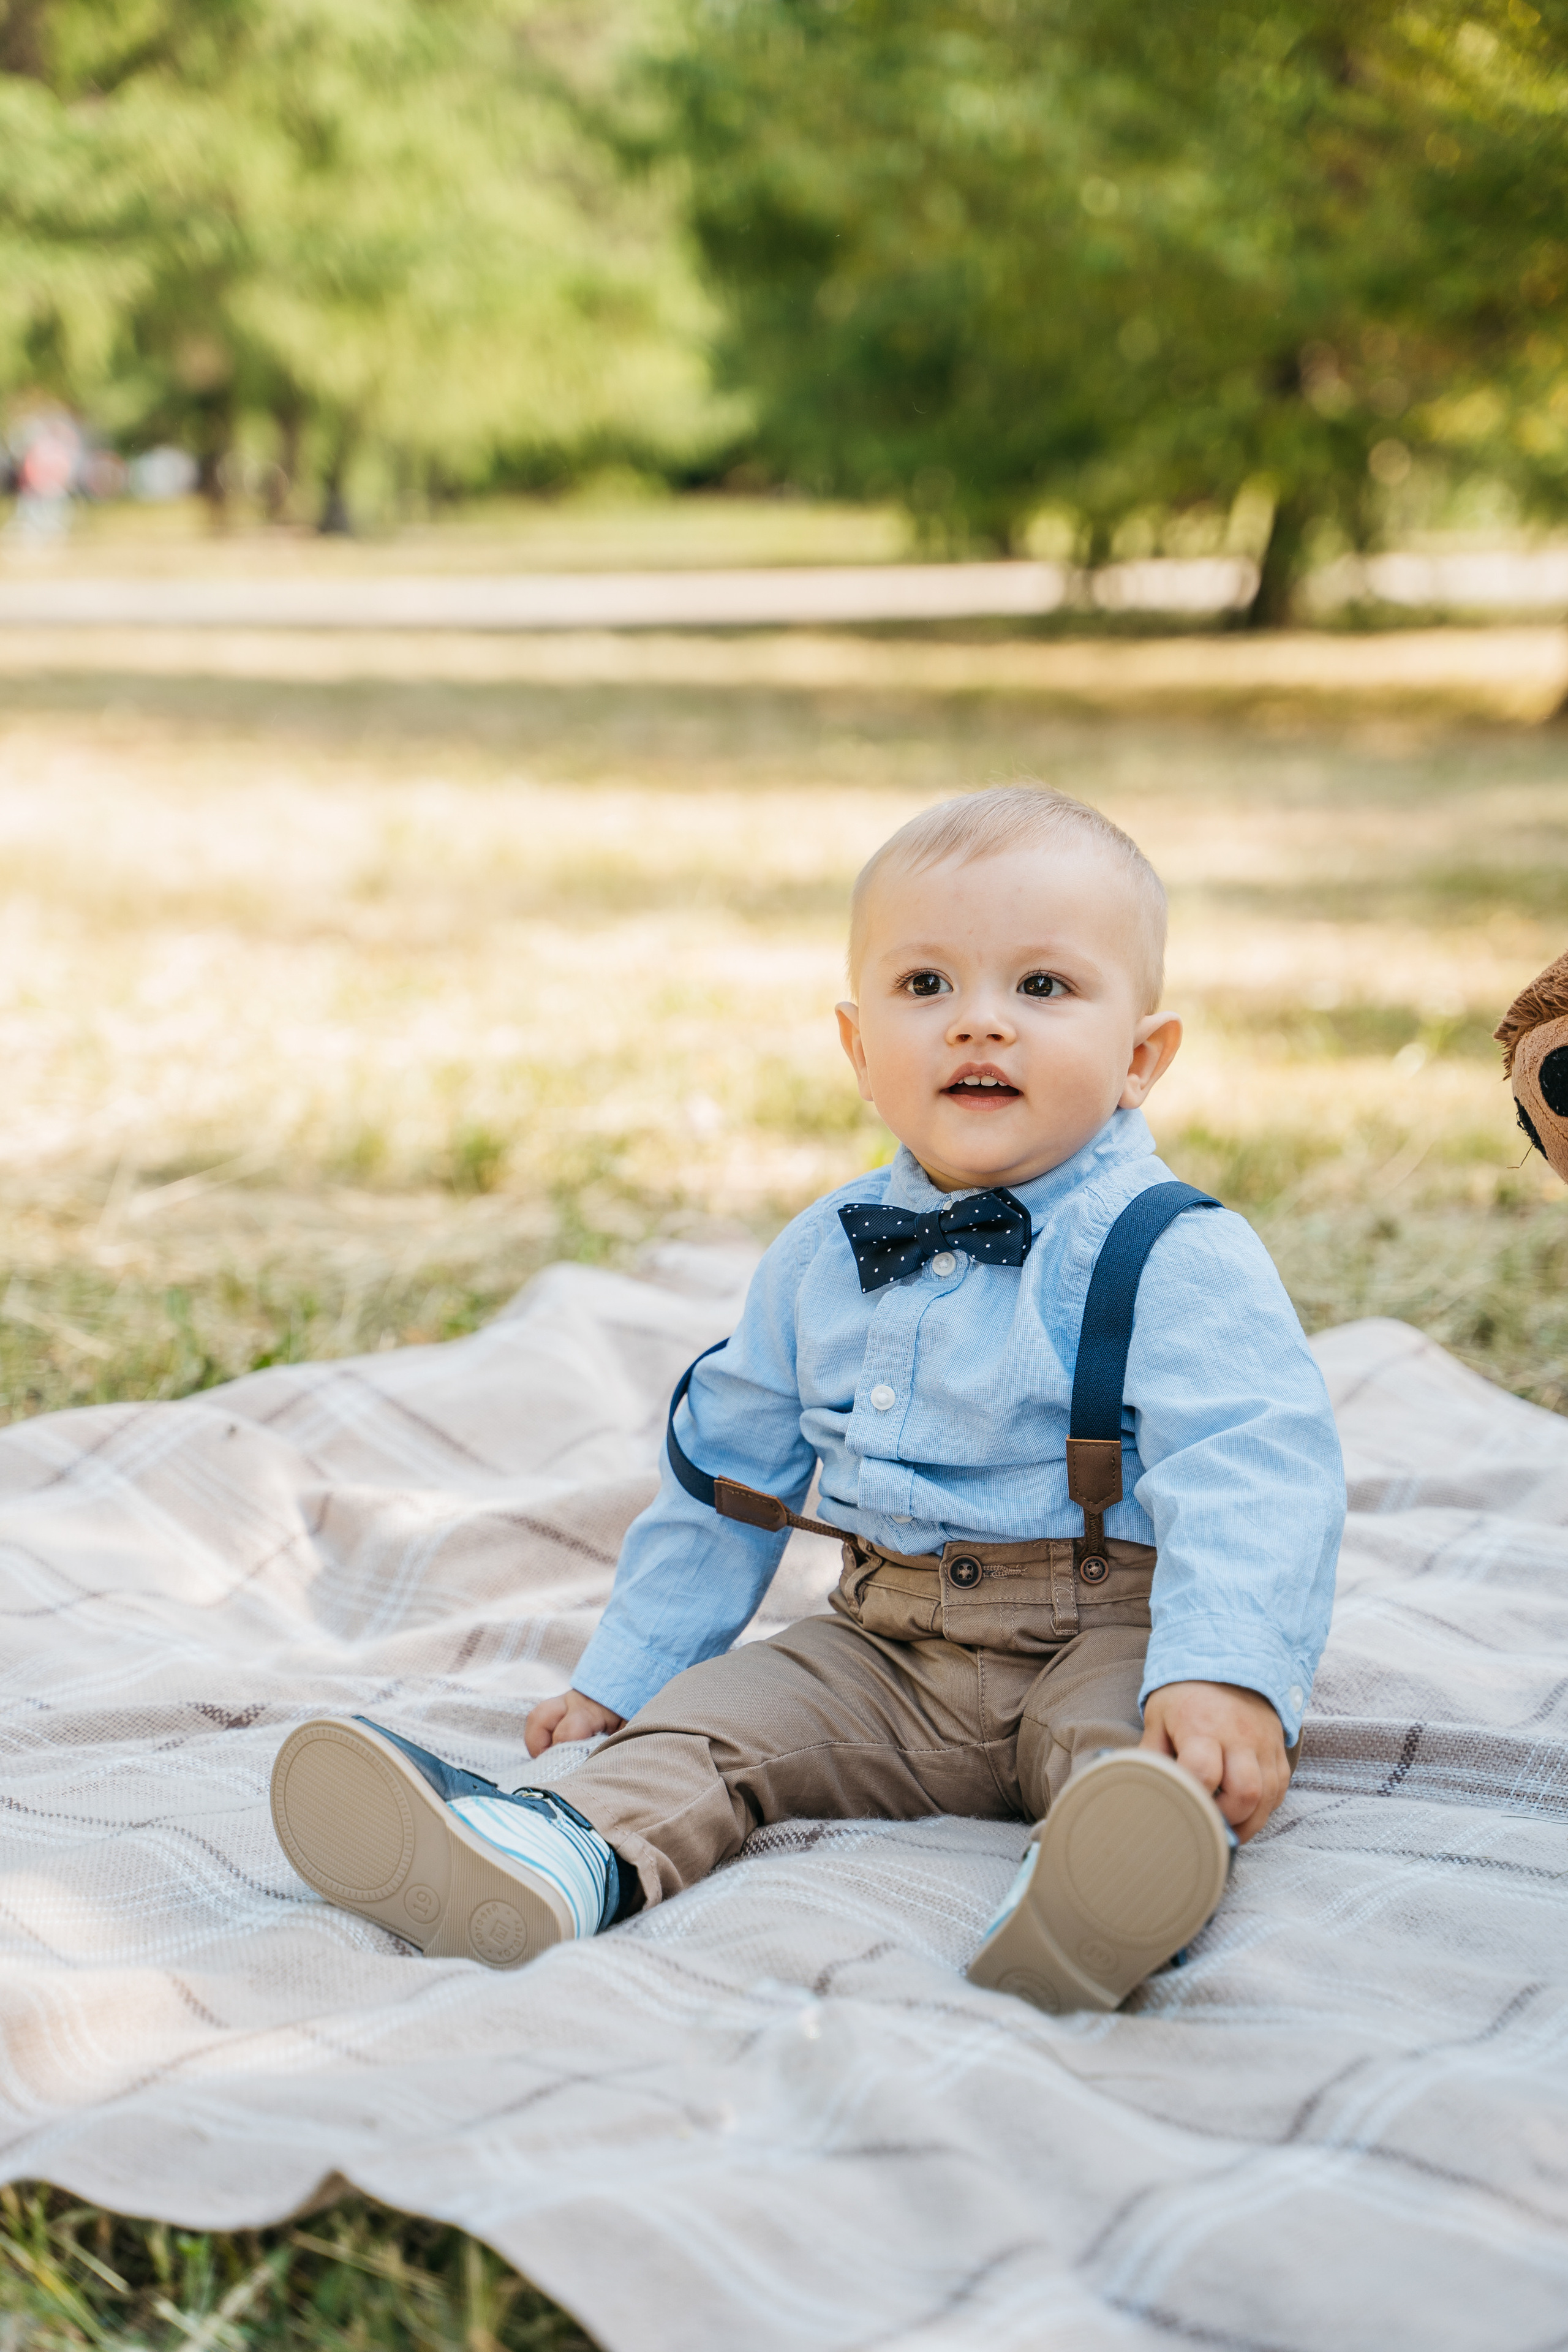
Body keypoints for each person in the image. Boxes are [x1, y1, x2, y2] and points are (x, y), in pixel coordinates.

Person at [271, 786, 1344, 2012]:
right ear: (855, 1047)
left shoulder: (1168, 1249)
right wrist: (632, 1673)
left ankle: (1101, 1898)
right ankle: (555, 1857)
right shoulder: (821, 1254)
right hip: (881, 1651)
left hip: (1105, 1634)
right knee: (708, 1724)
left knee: (1140, 1758)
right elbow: (724, 1470)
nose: (977, 1026)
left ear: (1141, 1057)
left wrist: (1223, 1672)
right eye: (926, 986)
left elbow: (1253, 1462)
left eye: (1041, 989)